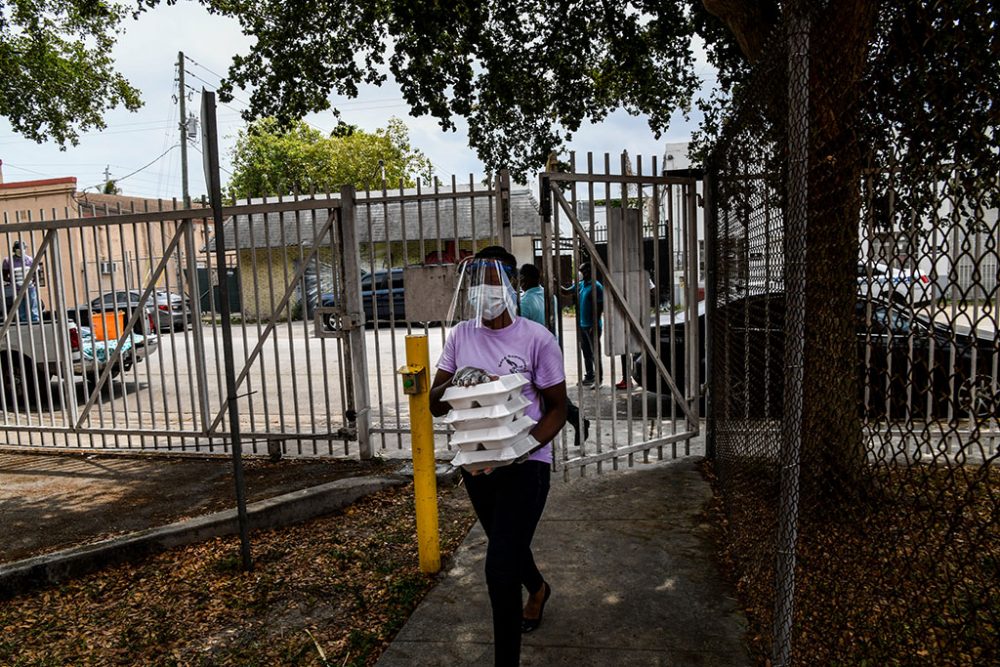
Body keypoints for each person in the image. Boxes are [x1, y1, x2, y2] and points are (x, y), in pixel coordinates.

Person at [430, 246, 567, 666]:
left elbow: (558, 407)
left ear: (510, 286)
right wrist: (456, 384)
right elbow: (435, 404)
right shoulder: (461, 337)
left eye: (492, 283)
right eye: (476, 284)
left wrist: (526, 447)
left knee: (499, 567)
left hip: (527, 465)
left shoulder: (537, 339)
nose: (483, 293)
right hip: (478, 464)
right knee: (505, 543)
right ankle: (539, 588)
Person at [519, 263, 590, 449]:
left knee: (544, 395)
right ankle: (576, 420)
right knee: (550, 392)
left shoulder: (525, 302)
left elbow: (519, 332)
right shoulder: (549, 296)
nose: (521, 283)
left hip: (533, 354)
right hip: (552, 349)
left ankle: (574, 420)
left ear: (525, 280)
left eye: (522, 279)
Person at [562, 261, 603, 387]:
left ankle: (599, 379)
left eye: (583, 271)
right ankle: (589, 376)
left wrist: (594, 325)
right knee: (585, 352)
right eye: (580, 271)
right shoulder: (581, 285)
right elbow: (566, 292)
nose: (581, 273)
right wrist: (555, 283)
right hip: (581, 325)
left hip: (592, 326)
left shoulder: (596, 286)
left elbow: (600, 307)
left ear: (590, 271)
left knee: (595, 353)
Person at [2, 241, 40, 323]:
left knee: (33, 304)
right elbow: (4, 275)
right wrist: (12, 281)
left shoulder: (30, 260)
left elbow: (37, 272)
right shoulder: (8, 261)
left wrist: (34, 282)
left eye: (23, 249)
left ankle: (35, 321)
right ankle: (23, 321)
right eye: (18, 249)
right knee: (20, 305)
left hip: (30, 287)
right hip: (16, 288)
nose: (21, 251)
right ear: (14, 250)